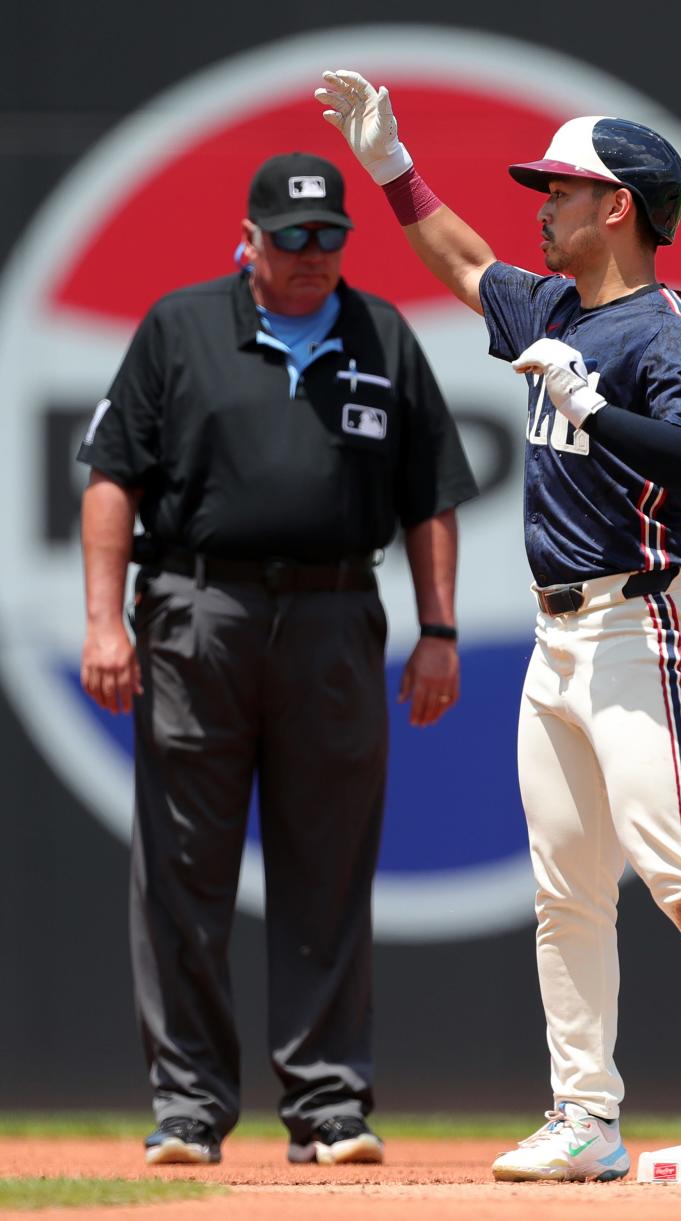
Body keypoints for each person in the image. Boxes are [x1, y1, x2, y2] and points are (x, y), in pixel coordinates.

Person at [313, 73, 681, 1182]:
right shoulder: (553, 310)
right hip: (561, 641)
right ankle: (585, 1117)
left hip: (644, 626)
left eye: (560, 190)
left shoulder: (668, 330)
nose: (540, 206)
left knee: (679, 861)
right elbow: (462, 262)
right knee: (566, 884)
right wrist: (390, 167)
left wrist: (600, 412)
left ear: (617, 207)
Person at [77, 151, 478, 1168]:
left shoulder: (381, 332)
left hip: (336, 612)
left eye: (330, 235)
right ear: (247, 238)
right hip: (197, 609)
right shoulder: (181, 326)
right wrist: (104, 622)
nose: (313, 254)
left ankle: (329, 1105)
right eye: (292, 236)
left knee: (329, 865)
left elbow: (431, 492)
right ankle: (188, 1107)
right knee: (182, 866)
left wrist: (440, 631)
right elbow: (112, 479)